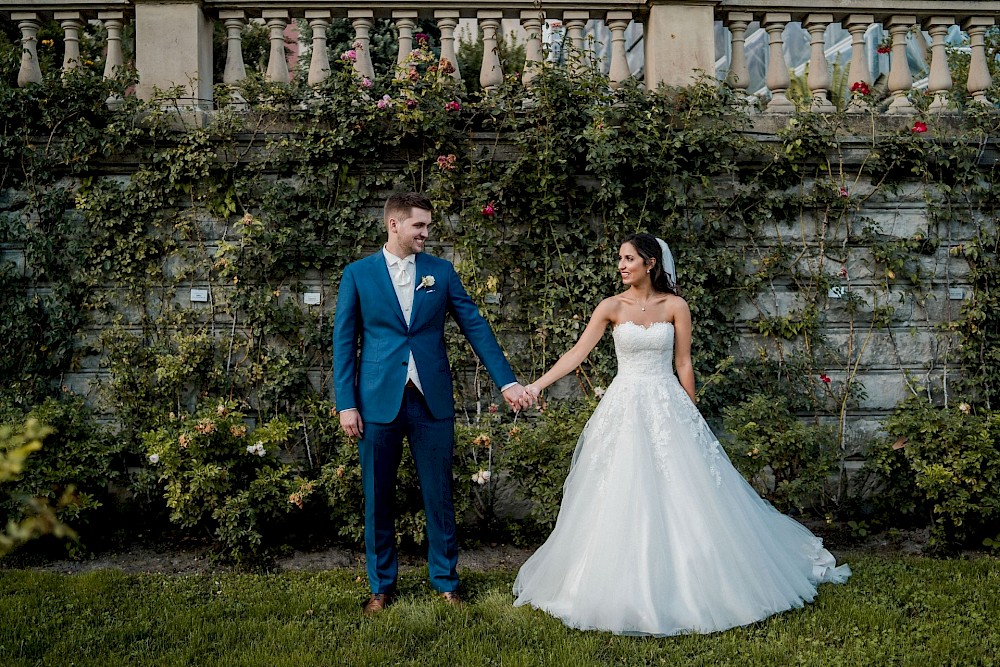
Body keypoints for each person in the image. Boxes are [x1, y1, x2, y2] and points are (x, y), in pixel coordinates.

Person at [513, 233, 850, 636]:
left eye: (628, 259)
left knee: (687, 492)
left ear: (650, 263)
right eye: (620, 258)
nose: (621, 265)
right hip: (623, 406)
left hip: (667, 403)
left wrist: (692, 416)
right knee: (617, 490)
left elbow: (684, 363)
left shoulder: (676, 306)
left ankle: (700, 580)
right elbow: (576, 354)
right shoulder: (611, 307)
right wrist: (535, 385)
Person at [334, 192, 533, 615]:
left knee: (440, 494)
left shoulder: (440, 272)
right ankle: (381, 587)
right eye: (419, 226)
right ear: (394, 225)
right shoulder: (358, 274)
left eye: (428, 226)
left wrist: (508, 382)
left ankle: (446, 582)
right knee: (377, 497)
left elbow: (475, 325)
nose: (427, 233)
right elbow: (343, 343)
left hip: (431, 401)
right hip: (375, 403)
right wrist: (345, 403)